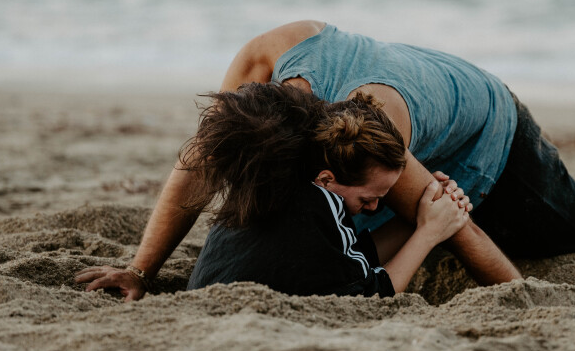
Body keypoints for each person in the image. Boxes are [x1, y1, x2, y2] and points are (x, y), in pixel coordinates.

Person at [75, 20, 575, 300]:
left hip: (486, 122)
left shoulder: (375, 129)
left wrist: (521, 299)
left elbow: (454, 224)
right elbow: (195, 171)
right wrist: (139, 269)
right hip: (400, 107)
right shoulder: (263, 65)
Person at [182, 83, 469, 297]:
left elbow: (350, 259)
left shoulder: (277, 182)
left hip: (203, 291)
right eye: (369, 198)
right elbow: (374, 293)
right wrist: (429, 233)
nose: (374, 208)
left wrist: (422, 209)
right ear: (326, 179)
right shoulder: (322, 203)